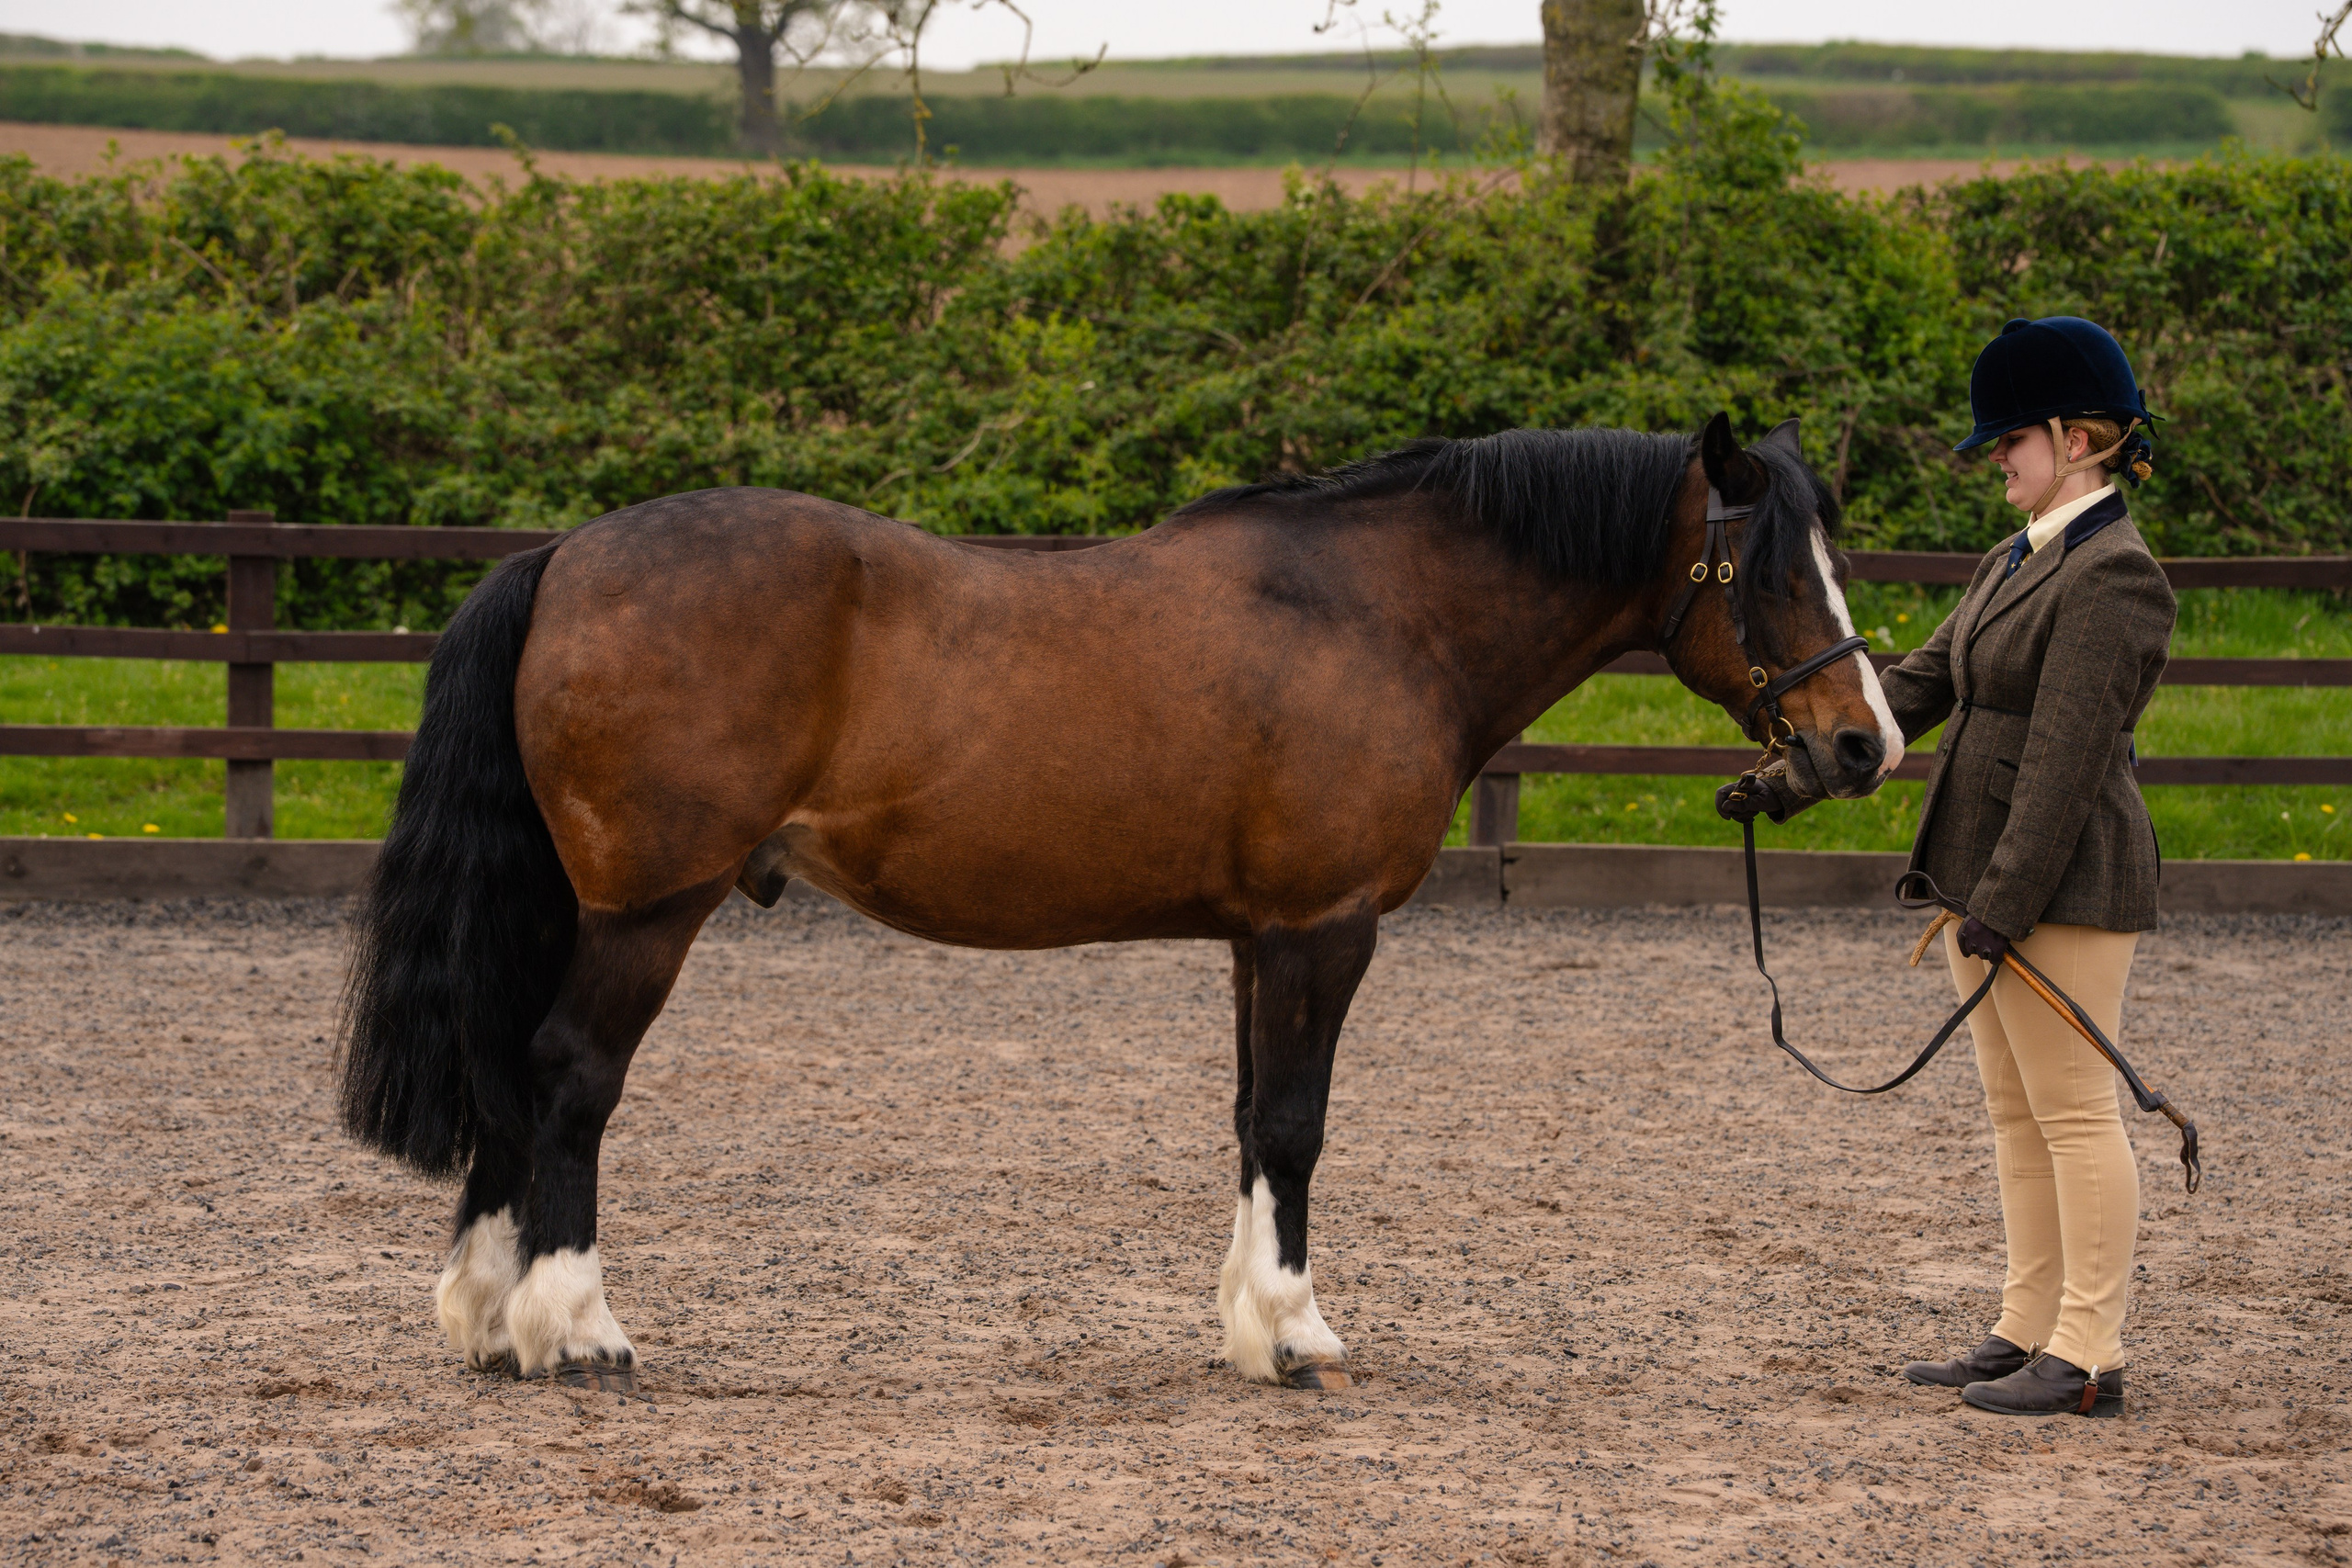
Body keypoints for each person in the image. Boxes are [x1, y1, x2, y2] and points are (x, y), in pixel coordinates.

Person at [1719, 316, 2174, 1416]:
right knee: (2016, 1114)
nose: (1995, 461)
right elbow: (1914, 687)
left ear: (2077, 439)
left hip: (2060, 879)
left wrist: (2002, 908)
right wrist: (1784, 784)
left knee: (2072, 1113)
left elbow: (2065, 768)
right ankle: (2024, 1328)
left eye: (2009, 441)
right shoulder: (2014, 556)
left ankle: (2089, 1354)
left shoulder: (2114, 577)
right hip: (1984, 875)